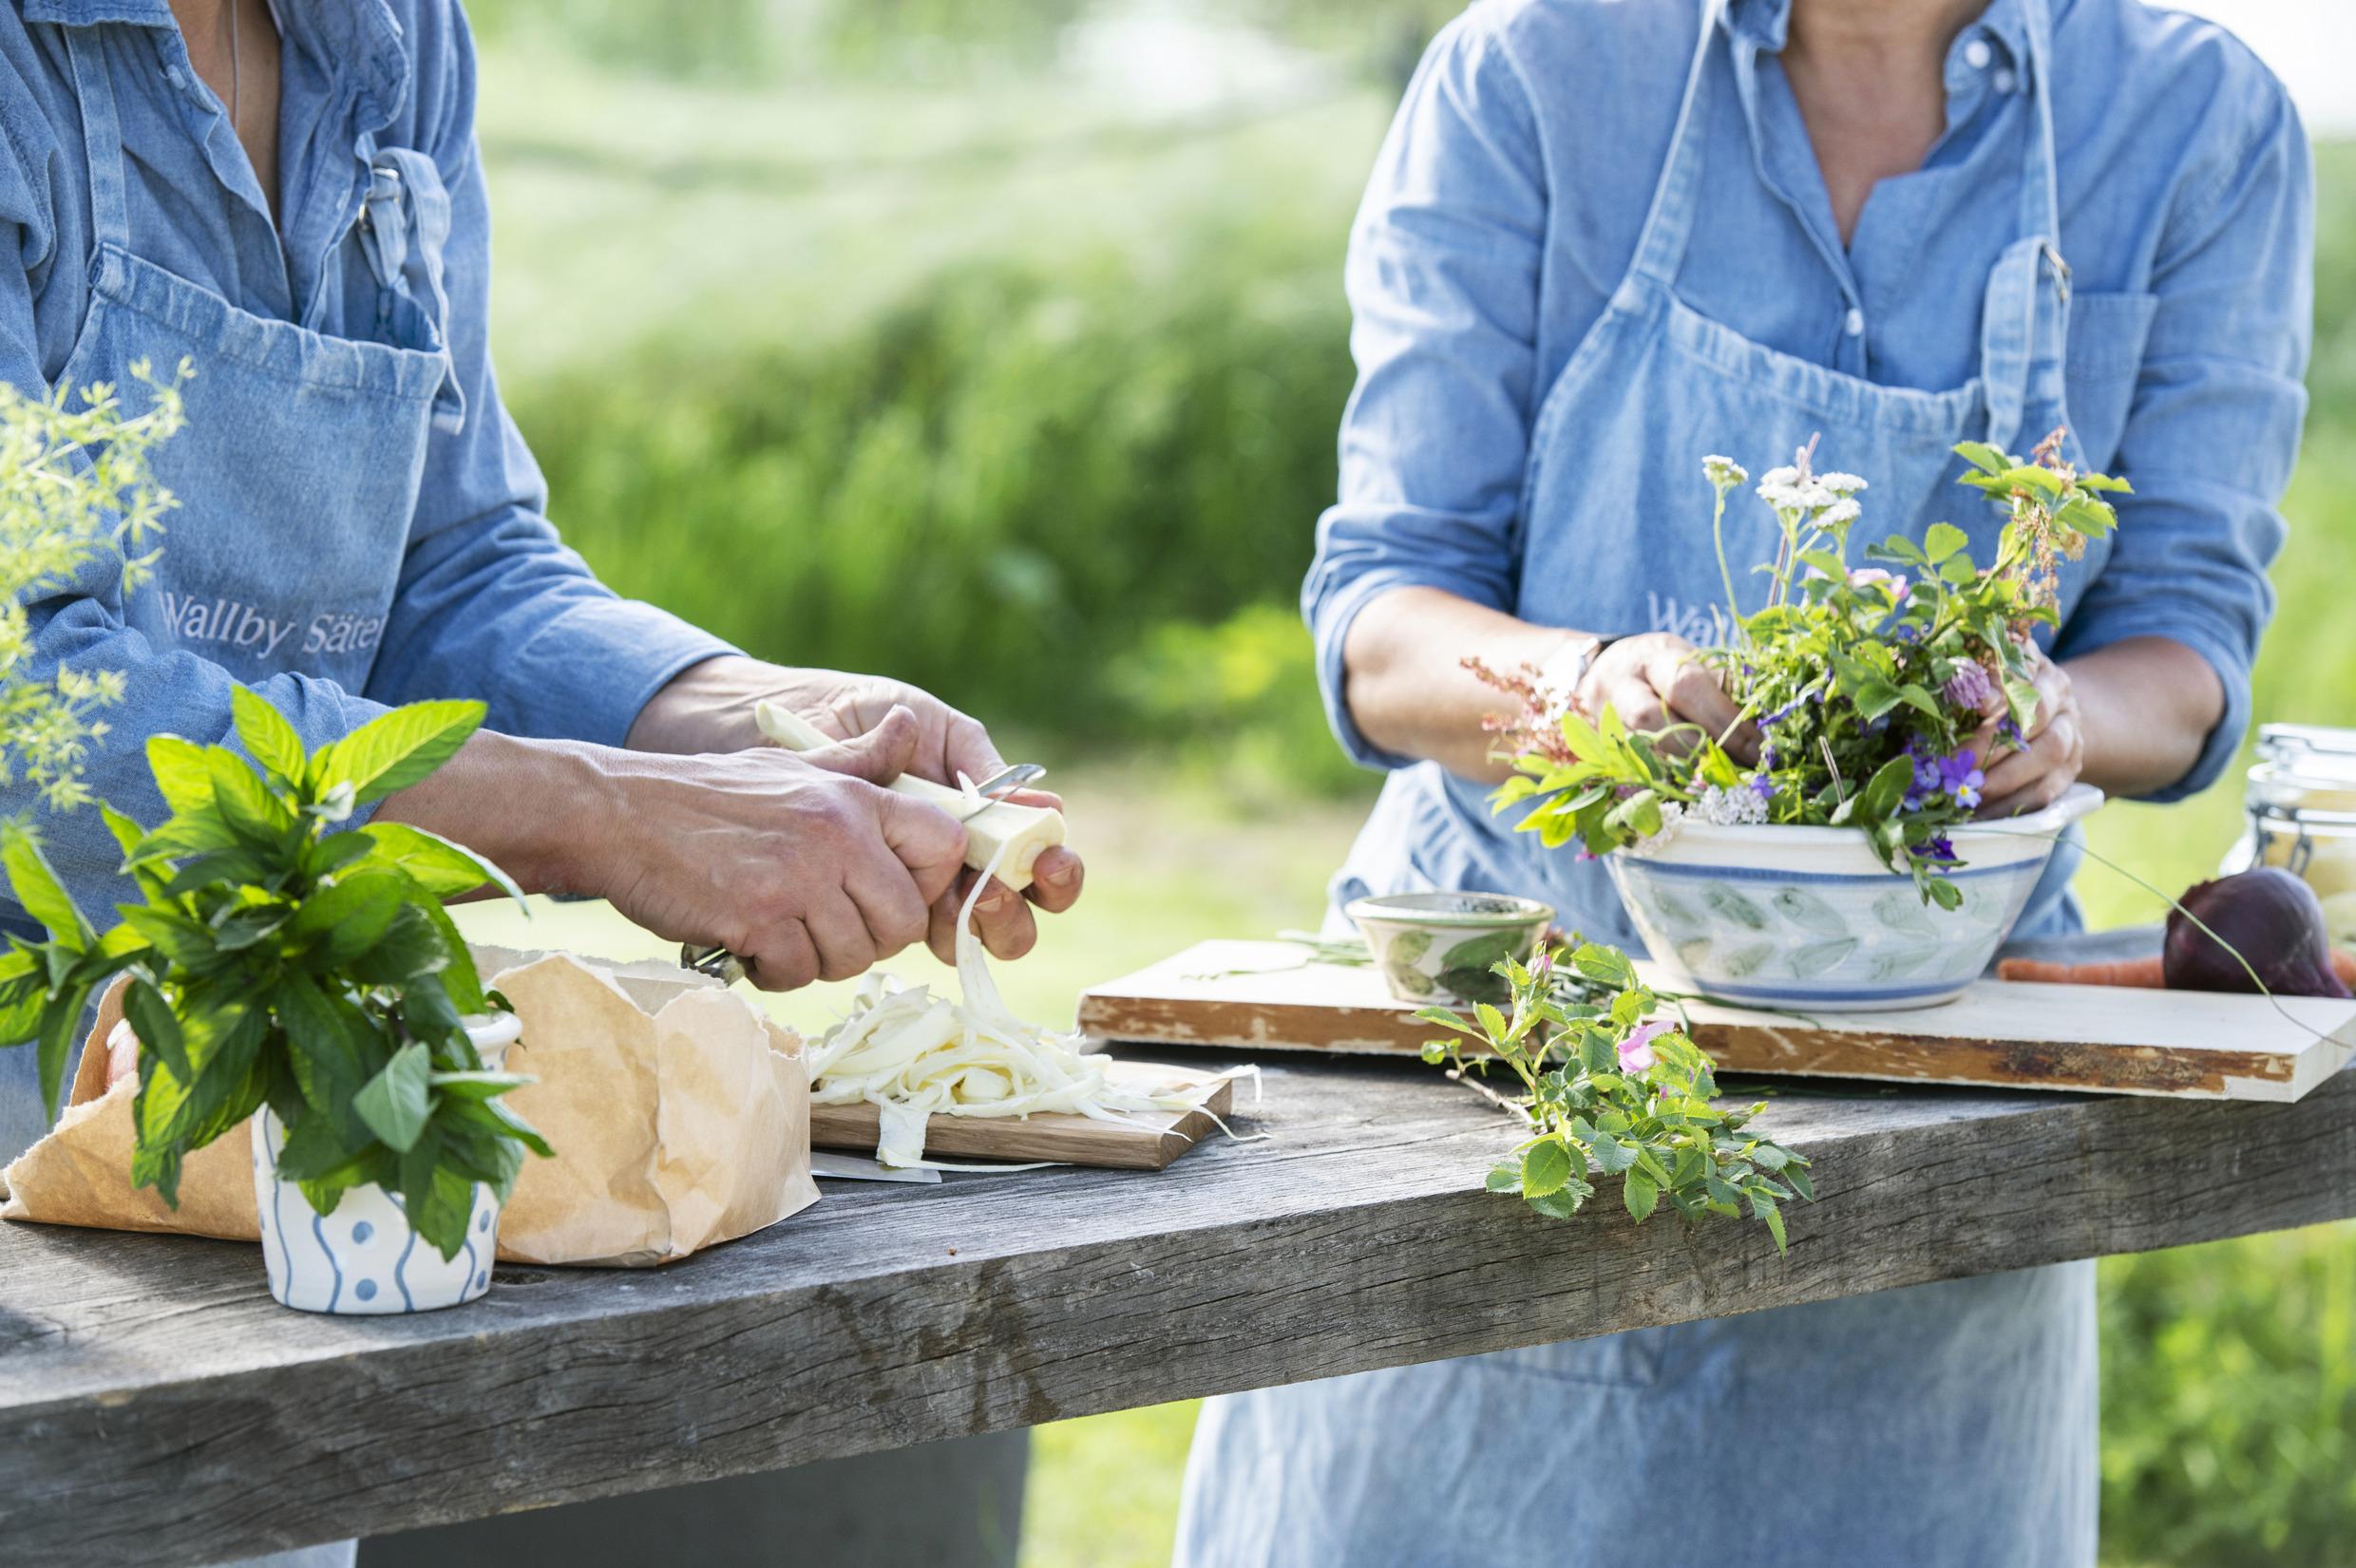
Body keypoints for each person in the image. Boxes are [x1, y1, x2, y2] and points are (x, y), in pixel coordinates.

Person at [1174, 0, 2309, 1563]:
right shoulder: (1541, 68)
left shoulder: (2192, 117)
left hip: (1937, 1104)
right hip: (1513, 1056)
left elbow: (2185, 649)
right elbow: (1384, 625)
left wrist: (2054, 711)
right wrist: (1589, 690)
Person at [0, 1, 1064, 1565]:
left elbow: (449, 555)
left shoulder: (386, 37)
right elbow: (29, 698)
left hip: (229, 1105)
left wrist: (739, 717)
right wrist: (600, 815)